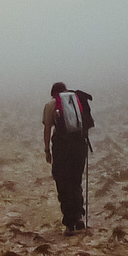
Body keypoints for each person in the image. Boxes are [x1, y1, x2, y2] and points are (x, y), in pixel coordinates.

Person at [43, 82, 93, 234]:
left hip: (62, 147)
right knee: (75, 181)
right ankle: (78, 218)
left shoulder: (51, 104)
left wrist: (47, 150)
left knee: (64, 184)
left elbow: (47, 129)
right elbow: (86, 125)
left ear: (54, 93)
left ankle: (69, 224)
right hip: (79, 146)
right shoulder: (77, 101)